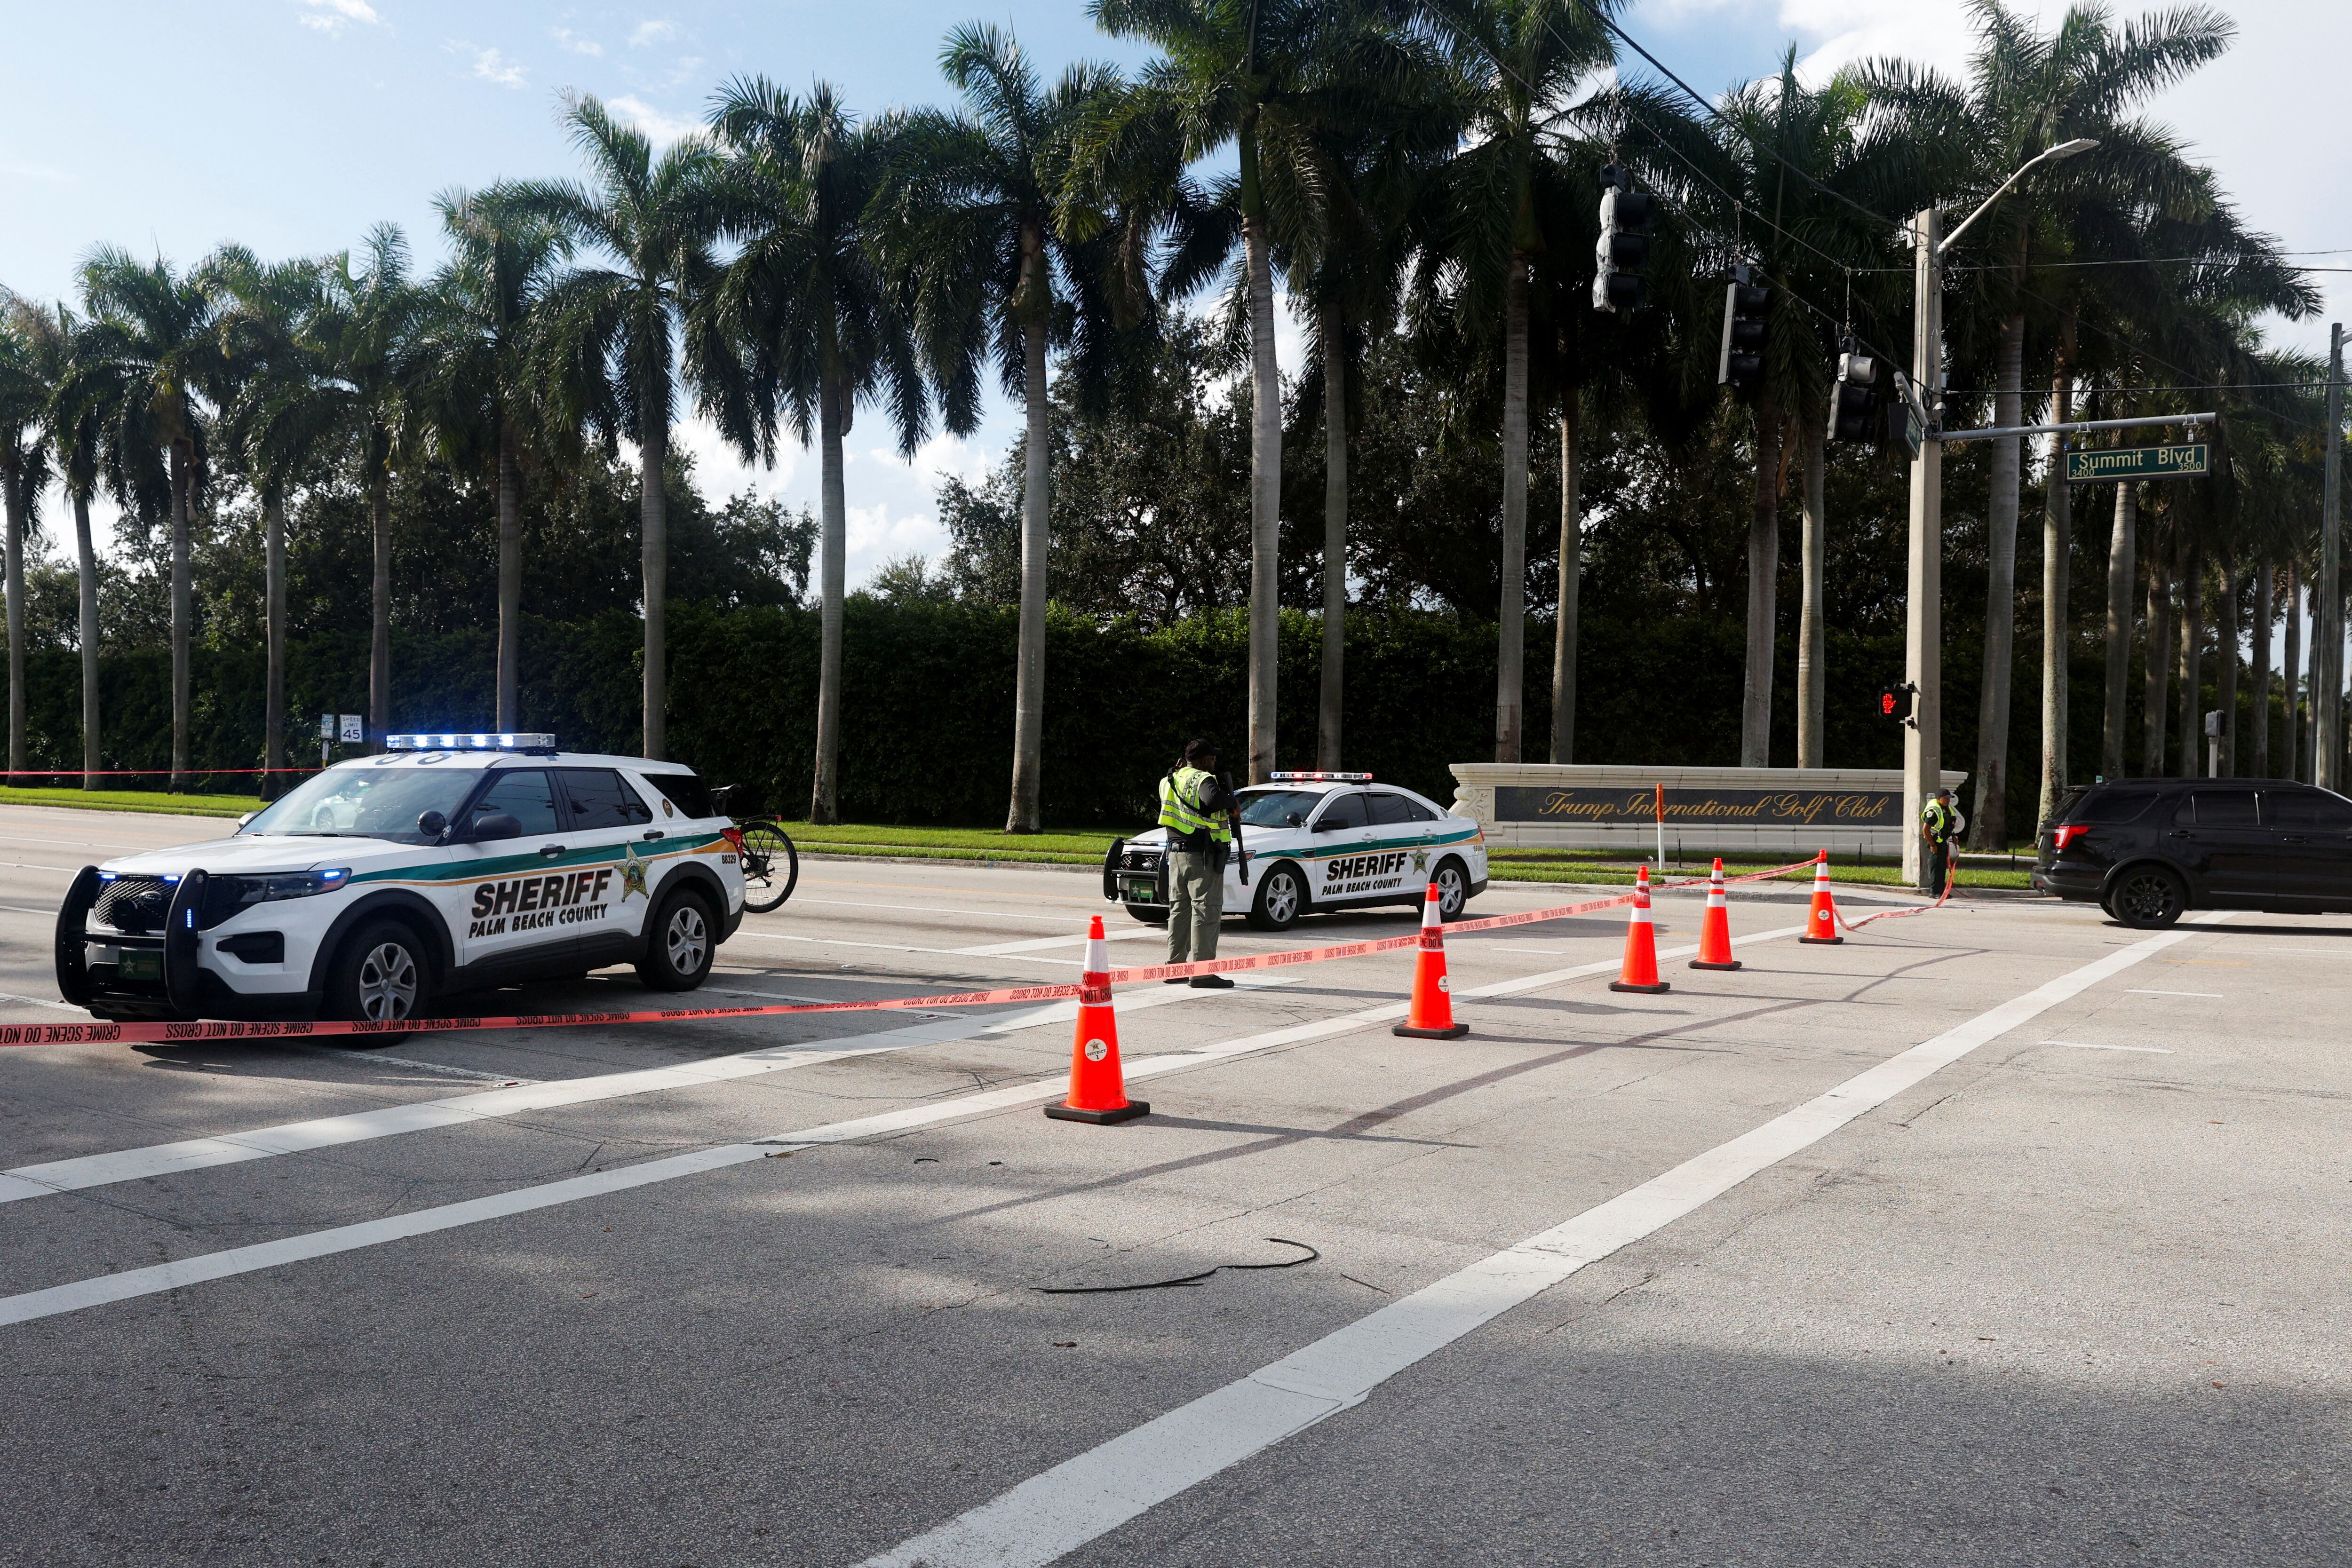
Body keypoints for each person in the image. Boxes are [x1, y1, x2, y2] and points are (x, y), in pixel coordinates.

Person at [1158, 738, 1237, 988]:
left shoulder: (1169, 780)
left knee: (1179, 911)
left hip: (1176, 855)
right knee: (1206, 910)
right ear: (1203, 761)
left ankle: (1176, 968)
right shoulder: (1203, 779)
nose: (1214, 762)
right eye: (1212, 758)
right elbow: (1212, 800)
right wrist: (1232, 803)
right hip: (1202, 857)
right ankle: (1202, 973)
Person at [1919, 787, 1964, 895]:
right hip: (1935, 842)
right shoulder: (1934, 811)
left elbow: (1950, 824)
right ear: (1939, 799)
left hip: (1942, 841)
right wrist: (1932, 845)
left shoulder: (1947, 808)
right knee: (1936, 868)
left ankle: (1942, 892)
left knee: (1942, 867)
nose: (1948, 800)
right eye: (1946, 798)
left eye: (1949, 798)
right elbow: (1925, 830)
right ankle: (1934, 892)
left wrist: (1954, 836)